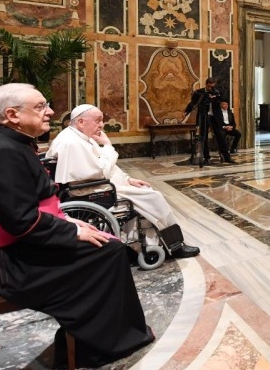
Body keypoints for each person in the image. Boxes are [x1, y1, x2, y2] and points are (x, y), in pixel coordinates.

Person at [0, 83, 154, 368]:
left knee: (106, 243)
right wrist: (72, 230)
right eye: (40, 107)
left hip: (16, 245)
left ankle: (94, 337)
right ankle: (98, 345)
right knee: (108, 252)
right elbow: (21, 221)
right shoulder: (1, 152)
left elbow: (31, 206)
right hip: (6, 262)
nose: (50, 111)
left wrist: (65, 219)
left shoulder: (8, 144)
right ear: (12, 115)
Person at [47, 104, 200, 259]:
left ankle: (146, 245)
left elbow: (104, 167)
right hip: (94, 191)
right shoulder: (72, 143)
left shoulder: (79, 137)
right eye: (98, 121)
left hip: (100, 186)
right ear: (81, 122)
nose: (102, 125)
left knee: (147, 195)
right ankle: (175, 246)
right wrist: (108, 146)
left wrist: (128, 179)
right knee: (154, 198)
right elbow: (101, 171)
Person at [184, 78, 235, 164]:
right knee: (203, 137)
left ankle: (227, 157)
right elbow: (193, 103)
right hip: (203, 116)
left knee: (221, 136)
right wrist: (186, 111)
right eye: (209, 86)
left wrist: (215, 97)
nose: (211, 88)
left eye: (213, 86)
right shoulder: (199, 92)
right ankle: (206, 158)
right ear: (206, 84)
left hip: (215, 118)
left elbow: (223, 99)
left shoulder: (217, 92)